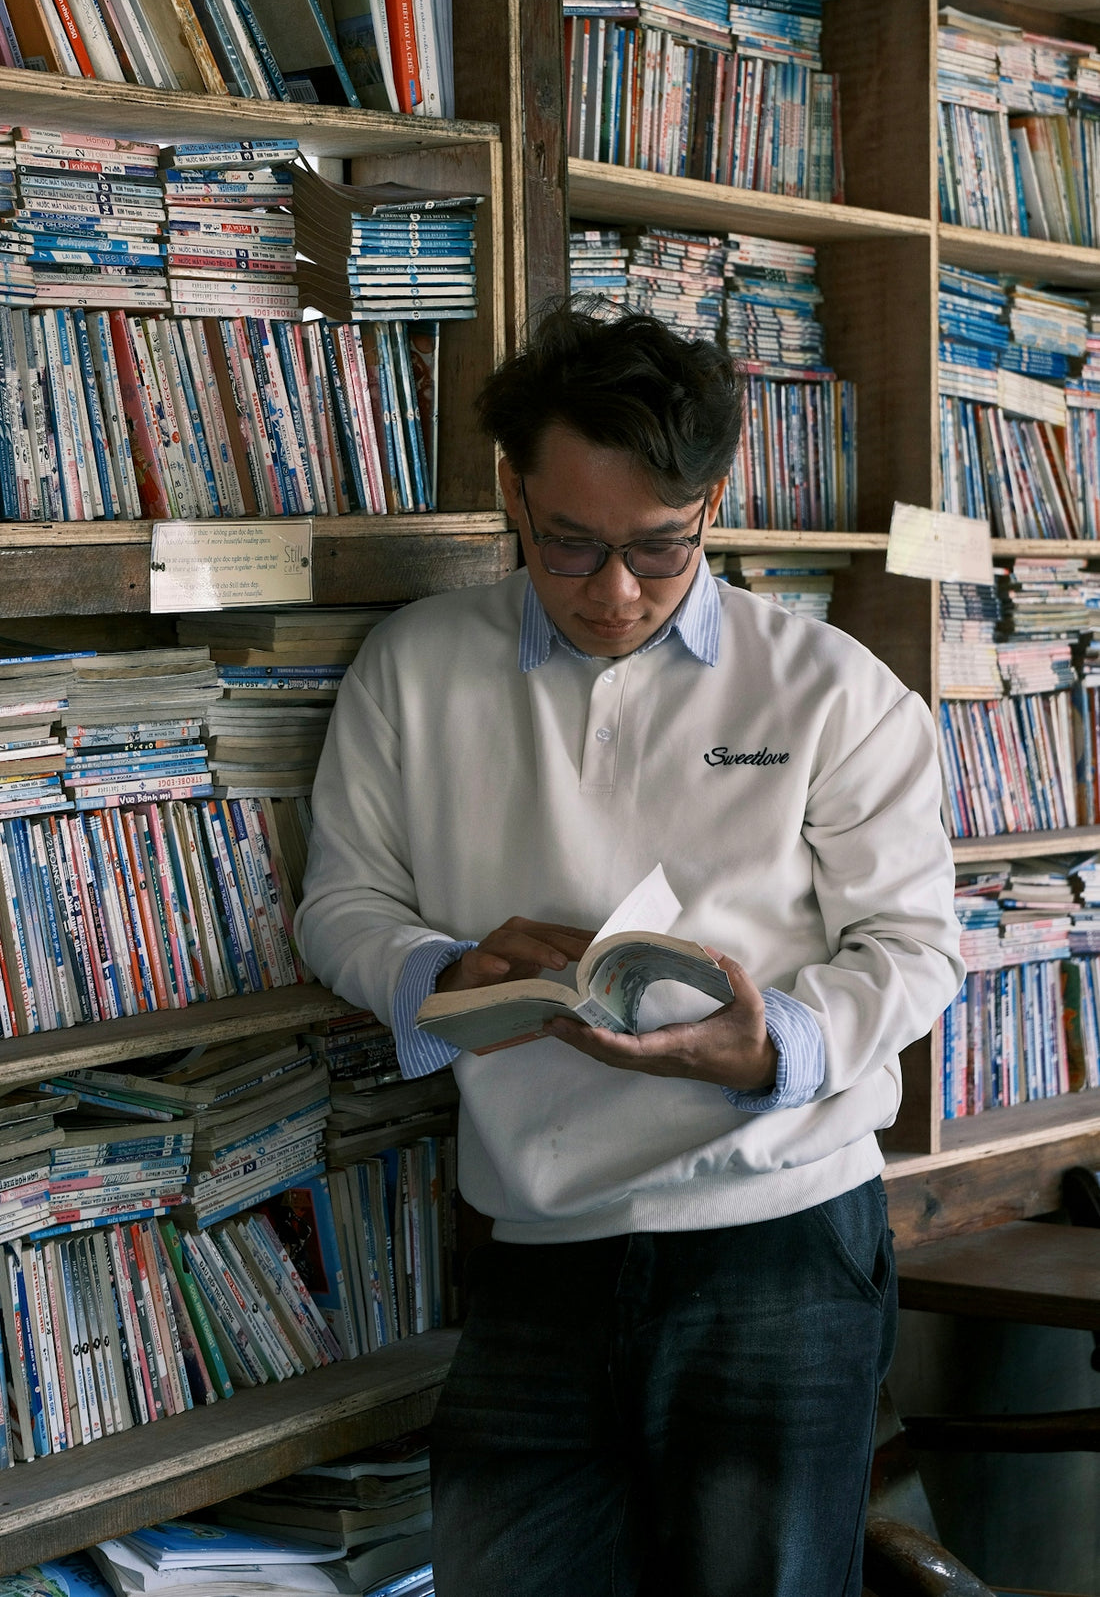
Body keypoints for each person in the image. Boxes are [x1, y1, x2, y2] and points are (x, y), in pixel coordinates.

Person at [294, 302, 964, 1597]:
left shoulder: (825, 687)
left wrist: (782, 1042)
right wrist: (436, 971)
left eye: (660, 550)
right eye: (569, 545)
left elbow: (917, 945)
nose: (613, 591)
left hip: (777, 1227)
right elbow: (344, 901)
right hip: (534, 1246)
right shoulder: (417, 666)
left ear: (714, 502)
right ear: (511, 490)